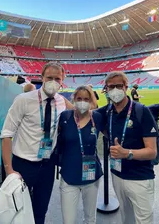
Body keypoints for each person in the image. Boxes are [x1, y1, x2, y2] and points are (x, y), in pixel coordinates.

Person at [0, 62, 74, 224]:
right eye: (49, 78)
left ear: (62, 81)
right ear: (42, 78)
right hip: (22, 165)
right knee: (17, 210)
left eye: (57, 78)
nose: (53, 81)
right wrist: (9, 170)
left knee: (40, 210)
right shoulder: (23, 100)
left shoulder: (62, 102)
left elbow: (79, 114)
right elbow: (6, 135)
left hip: (47, 166)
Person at [97, 71, 158, 224]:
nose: (115, 90)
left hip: (140, 178)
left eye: (119, 86)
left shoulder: (141, 111)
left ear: (125, 87)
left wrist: (127, 153)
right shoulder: (107, 111)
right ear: (106, 89)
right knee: (126, 219)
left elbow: (152, 151)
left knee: (144, 220)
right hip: (117, 175)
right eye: (111, 87)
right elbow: (83, 113)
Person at [58, 85, 103, 224]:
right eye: (79, 98)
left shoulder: (98, 117)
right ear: (74, 99)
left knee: (90, 219)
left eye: (86, 99)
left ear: (91, 101)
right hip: (69, 176)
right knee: (68, 220)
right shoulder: (65, 116)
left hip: (91, 176)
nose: (82, 102)